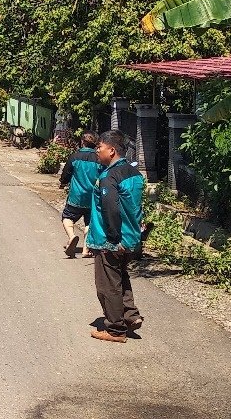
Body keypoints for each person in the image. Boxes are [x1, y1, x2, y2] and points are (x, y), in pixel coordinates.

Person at [88, 129, 146, 343]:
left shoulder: (109, 177)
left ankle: (115, 329)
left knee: (107, 285)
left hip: (111, 239)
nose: (97, 151)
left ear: (111, 151)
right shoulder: (134, 173)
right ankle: (130, 316)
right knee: (121, 277)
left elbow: (110, 208)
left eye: (100, 147)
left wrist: (113, 239)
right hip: (131, 236)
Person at [59, 131, 101, 258]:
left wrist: (62, 182)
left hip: (76, 197)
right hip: (93, 197)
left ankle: (72, 236)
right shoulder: (99, 159)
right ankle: (85, 250)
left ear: (82, 142)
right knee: (89, 221)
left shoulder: (74, 157)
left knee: (67, 217)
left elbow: (66, 173)